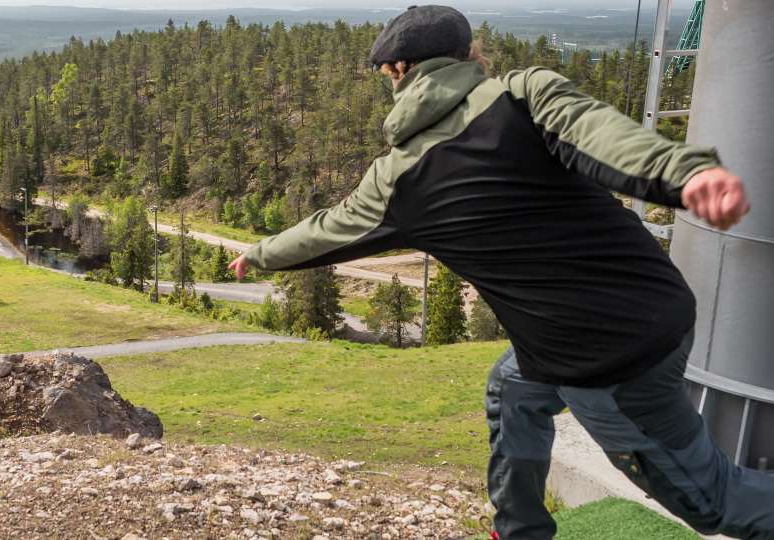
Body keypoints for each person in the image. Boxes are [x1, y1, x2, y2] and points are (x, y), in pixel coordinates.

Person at [228, 5, 770, 540]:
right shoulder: (523, 93)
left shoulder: (395, 183)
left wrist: (259, 253)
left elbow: (325, 232)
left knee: (714, 503)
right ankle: (519, 530)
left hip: (610, 360)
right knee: (513, 389)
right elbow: (601, 134)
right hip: (649, 306)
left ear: (396, 71)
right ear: (467, 55)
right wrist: (683, 173)